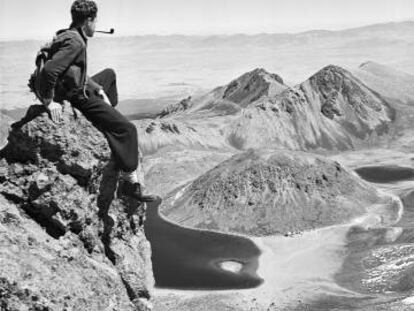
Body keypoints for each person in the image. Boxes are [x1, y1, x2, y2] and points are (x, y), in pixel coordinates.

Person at [38, 0, 156, 202]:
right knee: (128, 130)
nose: (96, 25)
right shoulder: (76, 42)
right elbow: (49, 71)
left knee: (109, 75)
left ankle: (108, 116)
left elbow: (74, 72)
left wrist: (98, 89)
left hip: (78, 87)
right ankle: (130, 184)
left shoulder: (69, 34)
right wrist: (49, 101)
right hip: (75, 96)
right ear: (88, 21)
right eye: (95, 20)